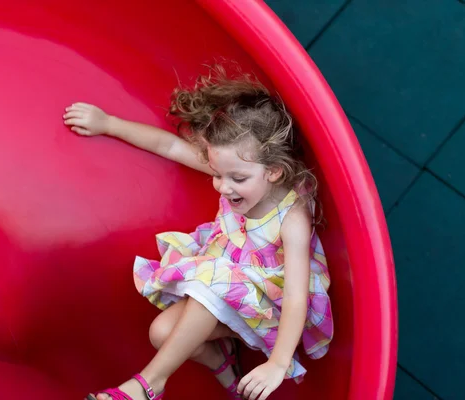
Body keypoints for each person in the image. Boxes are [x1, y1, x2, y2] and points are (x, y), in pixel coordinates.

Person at [63, 65, 333, 400]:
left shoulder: (292, 217)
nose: (223, 187)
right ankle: (224, 363)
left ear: (274, 171)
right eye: (218, 175)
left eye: (236, 179)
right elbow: (169, 147)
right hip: (223, 284)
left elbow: (294, 297)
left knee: (213, 287)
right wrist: (109, 124)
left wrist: (278, 363)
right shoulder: (238, 166)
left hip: (270, 309)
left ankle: (148, 386)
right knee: (161, 334)